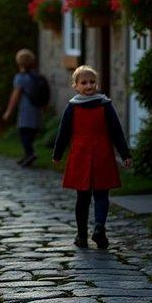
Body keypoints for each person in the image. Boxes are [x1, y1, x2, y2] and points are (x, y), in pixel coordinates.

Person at [52, 65, 132, 250]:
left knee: (88, 196)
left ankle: (88, 233)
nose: (89, 86)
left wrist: (125, 153)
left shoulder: (99, 105)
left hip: (89, 155)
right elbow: (63, 133)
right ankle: (94, 229)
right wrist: (58, 153)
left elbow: (116, 131)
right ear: (76, 86)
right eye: (84, 83)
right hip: (95, 154)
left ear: (97, 83)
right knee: (96, 195)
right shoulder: (83, 107)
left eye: (92, 82)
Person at [2, 49, 43, 167]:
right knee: (30, 133)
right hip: (36, 109)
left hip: (26, 109)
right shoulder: (37, 77)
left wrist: (8, 111)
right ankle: (27, 155)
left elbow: (15, 96)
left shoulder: (20, 78)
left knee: (23, 132)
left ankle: (30, 154)